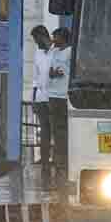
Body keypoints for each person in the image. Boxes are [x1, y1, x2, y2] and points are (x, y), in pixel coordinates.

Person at [46, 27, 72, 188]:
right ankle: (59, 162)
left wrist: (59, 73)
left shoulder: (70, 52)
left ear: (63, 37)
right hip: (53, 95)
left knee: (64, 130)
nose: (53, 39)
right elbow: (50, 71)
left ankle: (65, 162)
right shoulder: (54, 52)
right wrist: (52, 73)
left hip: (64, 95)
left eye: (56, 36)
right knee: (56, 130)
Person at [28, 25, 52, 179]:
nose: (37, 44)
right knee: (45, 134)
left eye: (37, 40)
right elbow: (36, 78)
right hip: (41, 99)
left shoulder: (57, 51)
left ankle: (58, 163)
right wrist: (34, 99)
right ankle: (45, 165)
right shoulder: (37, 53)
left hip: (56, 98)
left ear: (44, 36)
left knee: (57, 133)